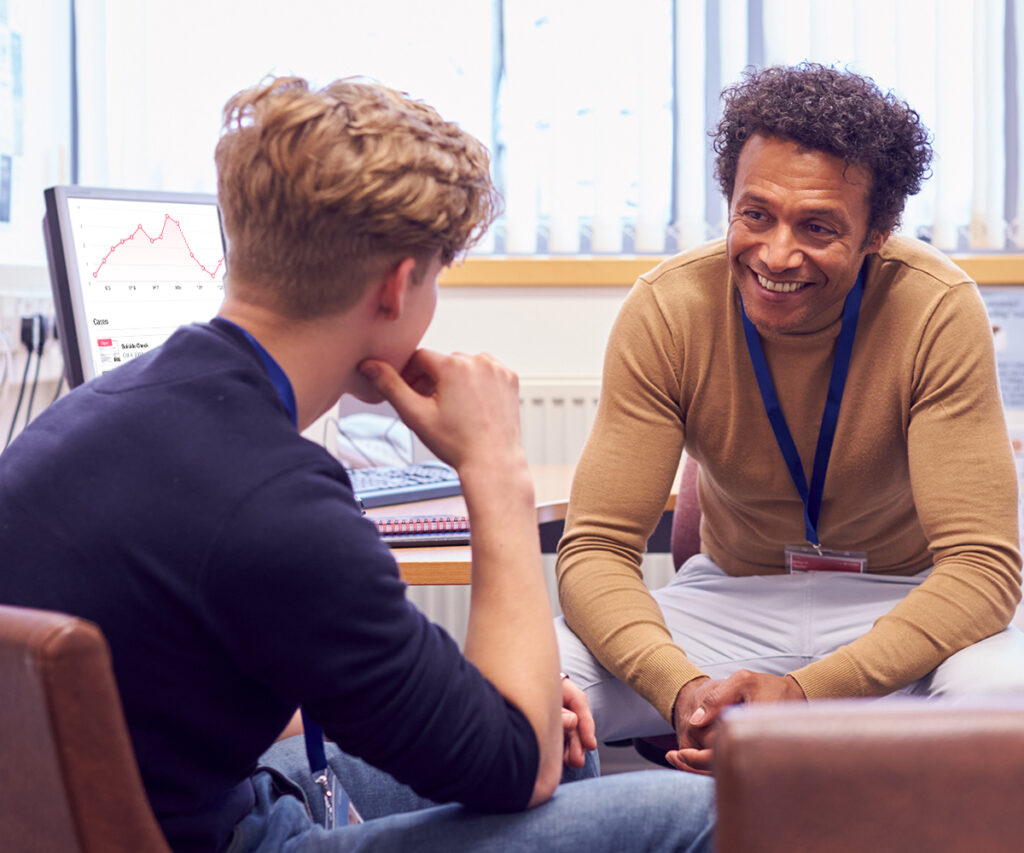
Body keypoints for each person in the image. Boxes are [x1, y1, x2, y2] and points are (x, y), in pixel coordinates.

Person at [0, 76, 714, 851]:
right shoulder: (279, 504)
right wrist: (495, 468)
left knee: (563, 746)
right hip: (233, 837)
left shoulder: (103, 408)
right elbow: (519, 765)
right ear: (398, 285)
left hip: (187, 804)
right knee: (702, 811)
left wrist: (502, 710)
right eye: (437, 278)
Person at [555, 62, 1024, 774]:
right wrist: (682, 690)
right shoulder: (669, 308)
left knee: (1003, 700)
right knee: (530, 686)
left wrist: (807, 693)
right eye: (756, 214)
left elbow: (983, 569)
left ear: (878, 232)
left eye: (818, 226)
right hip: (730, 599)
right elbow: (594, 550)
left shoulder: (935, 308)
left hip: (904, 599)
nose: (776, 253)